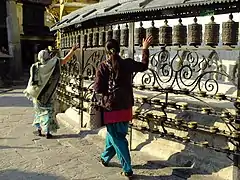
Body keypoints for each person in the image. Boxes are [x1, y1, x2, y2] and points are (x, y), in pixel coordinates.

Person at [93, 36, 153, 178]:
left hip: (110, 108)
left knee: (118, 138)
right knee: (113, 135)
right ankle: (105, 158)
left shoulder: (102, 66)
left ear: (106, 51)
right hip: (126, 106)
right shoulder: (127, 64)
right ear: (119, 50)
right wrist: (145, 48)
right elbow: (144, 66)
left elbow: (97, 88)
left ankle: (127, 169)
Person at [23, 44, 79, 139]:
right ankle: (48, 131)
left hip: (37, 94)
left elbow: (32, 81)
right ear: (48, 56)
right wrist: (73, 50)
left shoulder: (35, 67)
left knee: (39, 112)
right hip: (49, 93)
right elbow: (65, 60)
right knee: (49, 112)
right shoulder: (54, 63)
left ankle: (39, 129)